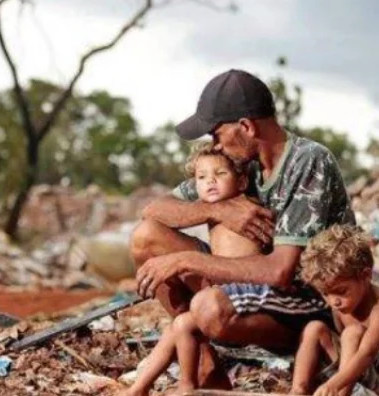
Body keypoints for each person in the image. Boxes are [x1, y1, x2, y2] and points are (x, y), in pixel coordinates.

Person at [131, 69, 355, 389]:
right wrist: (216, 208)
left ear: (247, 127)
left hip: (308, 305)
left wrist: (185, 261)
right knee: (145, 237)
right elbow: (153, 209)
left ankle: (217, 326)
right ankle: (210, 371)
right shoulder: (241, 162)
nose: (216, 146)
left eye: (216, 135)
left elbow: (280, 271)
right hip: (253, 291)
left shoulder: (308, 162)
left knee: (209, 310)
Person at [121, 141, 259, 396]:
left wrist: (190, 264)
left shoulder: (246, 206)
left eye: (220, 175)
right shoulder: (213, 194)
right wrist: (212, 210)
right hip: (218, 284)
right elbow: (152, 210)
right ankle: (142, 387)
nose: (210, 182)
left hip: (243, 292)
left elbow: (246, 268)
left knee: (181, 326)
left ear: (241, 181)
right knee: (179, 325)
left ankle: (175, 385)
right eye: (202, 177)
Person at [291, 225, 379, 396]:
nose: (334, 301)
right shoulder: (341, 305)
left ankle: (342, 393)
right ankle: (297, 390)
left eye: (341, 291)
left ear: (366, 276)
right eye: (325, 294)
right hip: (363, 374)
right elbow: (347, 351)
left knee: (352, 333)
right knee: (314, 328)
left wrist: (335, 383)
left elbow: (367, 352)